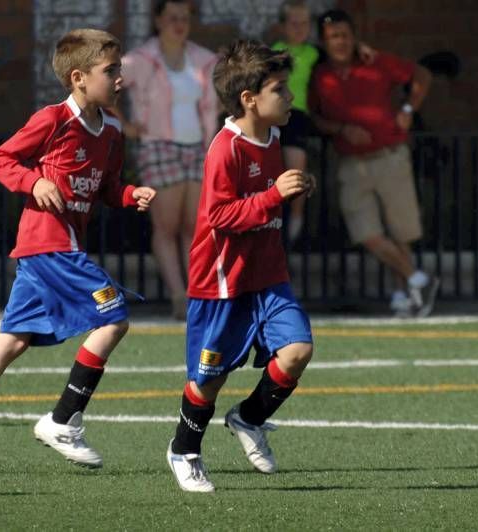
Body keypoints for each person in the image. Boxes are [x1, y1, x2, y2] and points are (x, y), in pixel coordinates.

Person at [0, 28, 157, 475]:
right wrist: (35, 181)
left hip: (54, 250)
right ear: (79, 77)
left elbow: (105, 188)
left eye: (120, 69)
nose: (120, 78)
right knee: (114, 317)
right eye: (111, 71)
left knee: (11, 342)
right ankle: (63, 419)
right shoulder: (52, 119)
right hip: (49, 245)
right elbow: (0, 159)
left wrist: (128, 195)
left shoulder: (113, 132)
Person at [166, 39, 315, 493]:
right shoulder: (225, 148)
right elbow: (220, 216)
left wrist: (293, 189)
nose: (289, 97)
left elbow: (266, 200)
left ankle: (248, 418)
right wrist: (273, 197)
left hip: (268, 277)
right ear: (249, 99)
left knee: (297, 351)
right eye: (280, 90)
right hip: (223, 283)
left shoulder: (274, 137)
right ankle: (184, 451)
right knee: (208, 380)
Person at [308, 9, 440, 317]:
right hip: (351, 164)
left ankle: (405, 297)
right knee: (366, 233)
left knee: (400, 233)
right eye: (332, 38)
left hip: (389, 156)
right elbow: (315, 118)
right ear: (324, 42)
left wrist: (408, 108)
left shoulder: (376, 61)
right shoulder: (320, 76)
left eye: (344, 35)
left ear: (354, 37)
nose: (339, 42)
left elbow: (421, 75)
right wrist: (341, 129)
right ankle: (419, 280)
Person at [117, 0, 219, 320]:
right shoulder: (140, 59)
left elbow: (215, 102)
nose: (179, 23)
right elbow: (104, 83)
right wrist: (124, 125)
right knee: (166, 224)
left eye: (184, 18)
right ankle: (179, 295)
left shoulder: (204, 59)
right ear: (158, 20)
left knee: (194, 226)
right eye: (172, 17)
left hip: (197, 147)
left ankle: (197, 295)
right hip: (158, 146)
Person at [271, 0, 376, 246]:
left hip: (297, 116)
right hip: (273, 115)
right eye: (293, 23)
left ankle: (295, 219)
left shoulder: (314, 53)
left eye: (304, 24)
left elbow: (342, 50)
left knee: (296, 167)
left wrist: (360, 47)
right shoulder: (273, 51)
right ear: (282, 26)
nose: (299, 28)